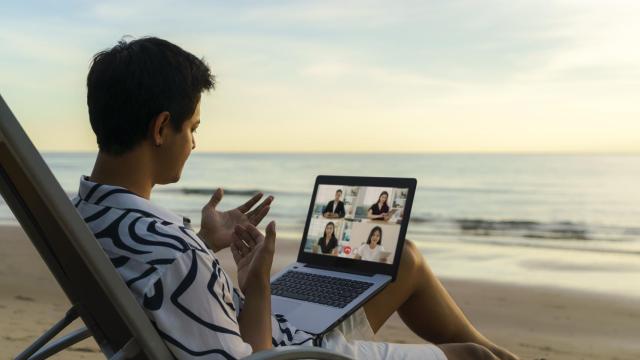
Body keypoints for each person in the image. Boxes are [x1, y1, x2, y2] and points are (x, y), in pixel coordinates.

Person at [74, 36, 518, 360]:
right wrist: (258, 286)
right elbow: (255, 355)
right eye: (192, 128)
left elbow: (166, 284)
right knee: (475, 359)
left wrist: (208, 247)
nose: (192, 143)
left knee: (400, 258)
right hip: (291, 351)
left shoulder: (88, 215)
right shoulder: (174, 257)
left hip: (263, 327)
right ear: (160, 128)